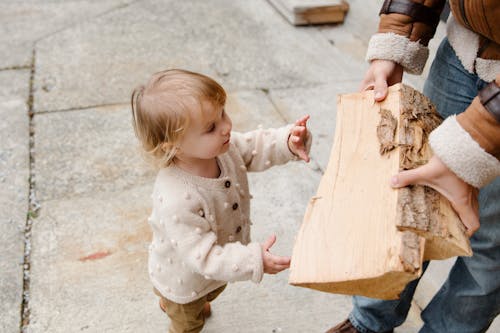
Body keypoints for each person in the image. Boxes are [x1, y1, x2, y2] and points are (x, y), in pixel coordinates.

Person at [326, 0, 500, 332]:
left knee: (491, 240)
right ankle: (368, 321)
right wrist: (396, 40)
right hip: (462, 55)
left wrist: (475, 141)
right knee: (409, 193)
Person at [130, 69, 312, 333]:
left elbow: (256, 146)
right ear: (172, 146)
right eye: (211, 127)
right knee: (188, 322)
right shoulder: (177, 198)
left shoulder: (222, 148)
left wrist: (288, 142)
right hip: (183, 282)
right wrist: (254, 259)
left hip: (214, 273)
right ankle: (170, 305)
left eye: (223, 114)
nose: (227, 126)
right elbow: (203, 257)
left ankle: (192, 300)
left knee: (211, 292)